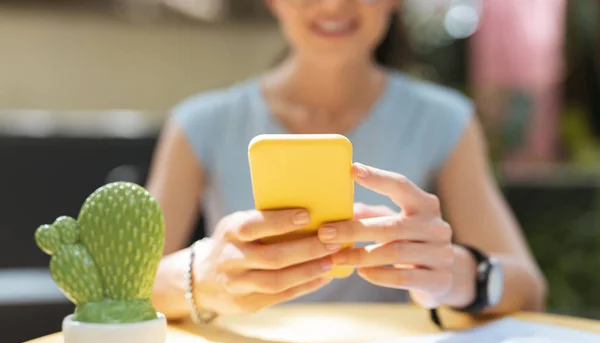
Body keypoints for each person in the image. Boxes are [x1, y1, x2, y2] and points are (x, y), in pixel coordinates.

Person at [147, 0, 547, 323]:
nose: (334, 5)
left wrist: (453, 275)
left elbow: (528, 289)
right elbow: (123, 288)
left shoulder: (446, 120)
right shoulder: (198, 124)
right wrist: (200, 275)